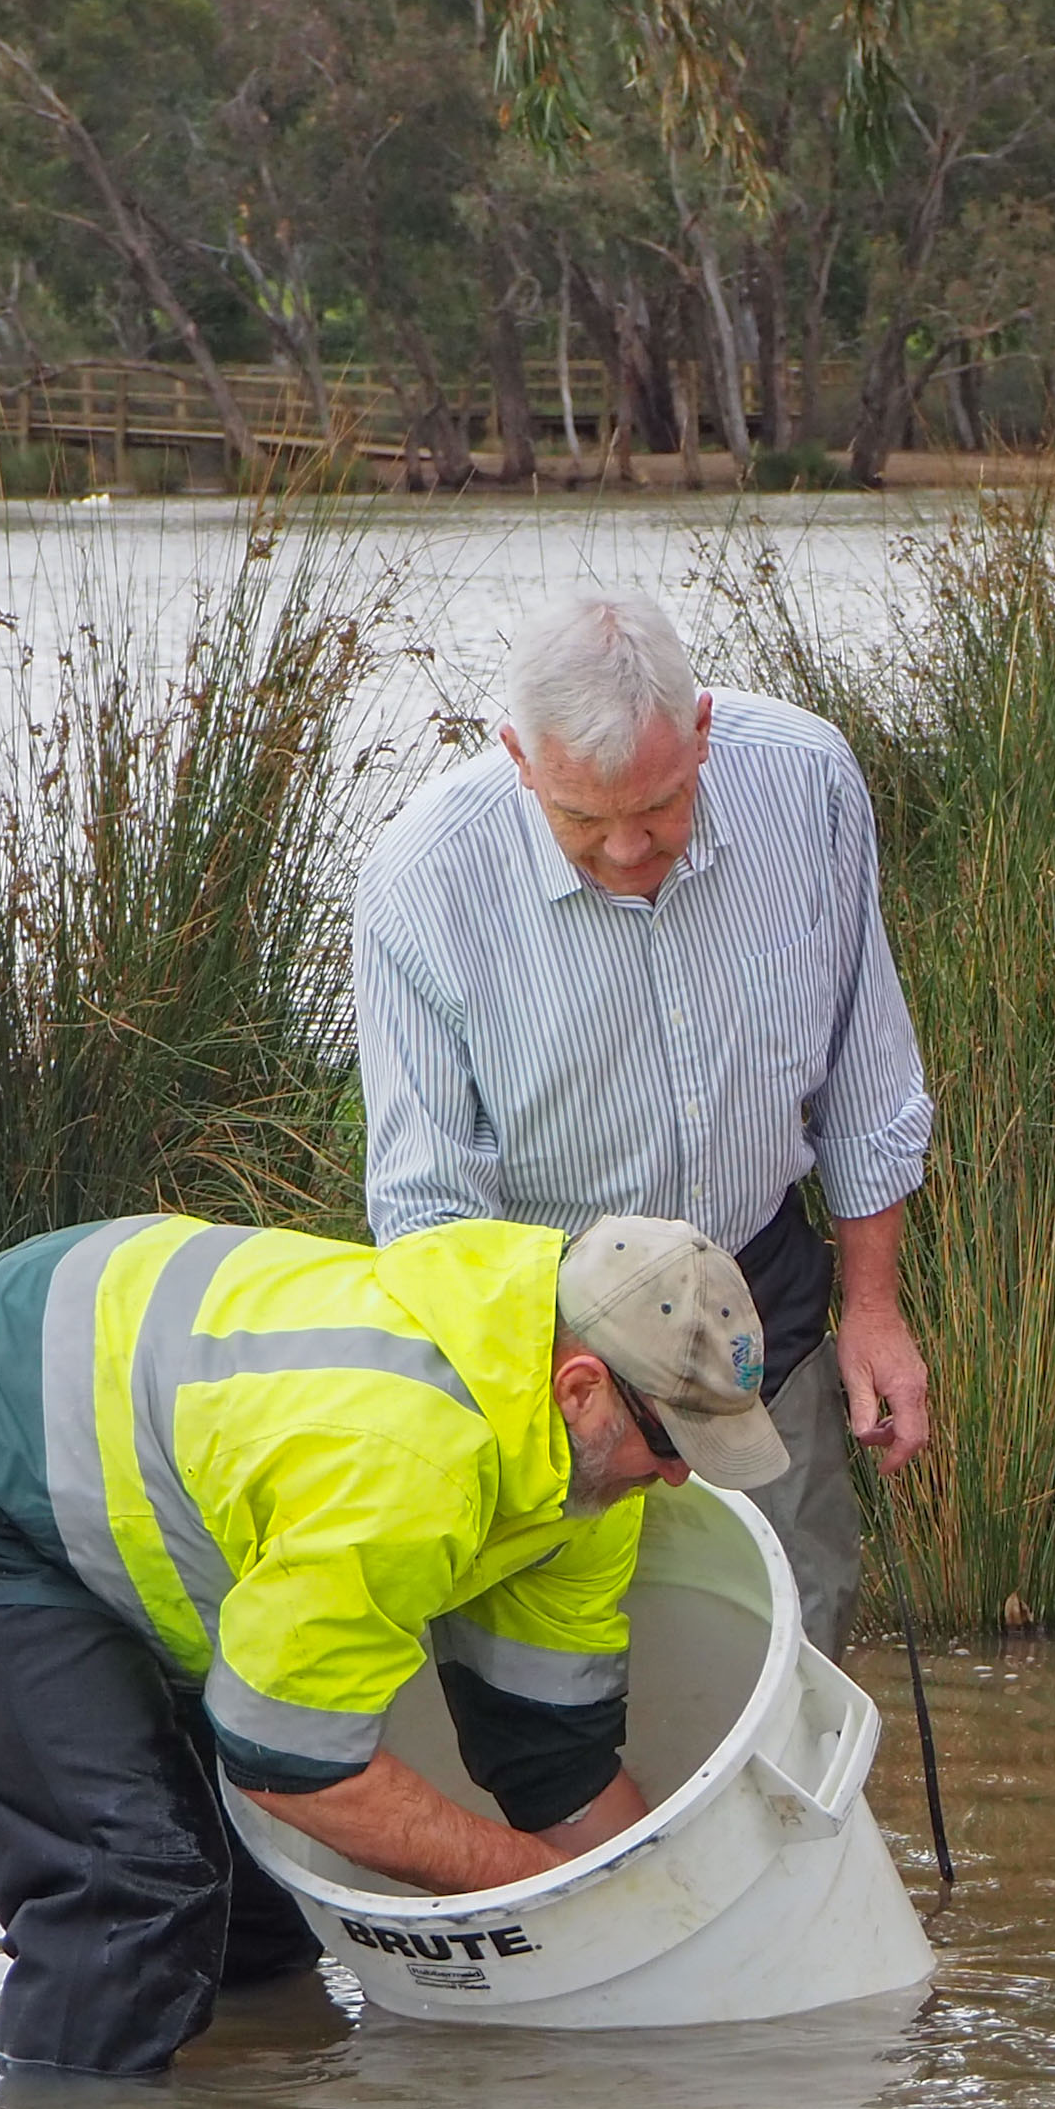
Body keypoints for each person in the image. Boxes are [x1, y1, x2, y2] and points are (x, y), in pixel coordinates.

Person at [0, 1210, 786, 2075]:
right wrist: (545, 1905)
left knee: (259, 1918)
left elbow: (550, 1747)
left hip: (132, 1438)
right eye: (672, 1445)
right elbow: (295, 1767)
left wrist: (672, 1931)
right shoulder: (404, 1459)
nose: (679, 1481)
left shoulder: (589, 1468)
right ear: (581, 1388)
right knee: (135, 1891)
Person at [354, 590, 932, 1655]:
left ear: (703, 728)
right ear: (517, 758)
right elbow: (427, 1210)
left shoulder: (808, 783)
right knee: (560, 1672)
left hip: (763, 1314)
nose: (627, 846)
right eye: (581, 816)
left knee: (795, 1635)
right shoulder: (419, 883)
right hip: (551, 1355)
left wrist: (875, 1307)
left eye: (661, 804)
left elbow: (867, 1068)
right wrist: (550, 1405)